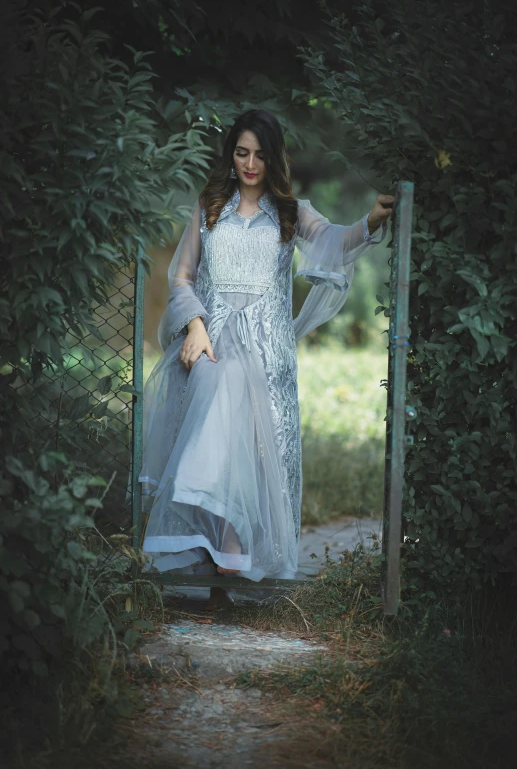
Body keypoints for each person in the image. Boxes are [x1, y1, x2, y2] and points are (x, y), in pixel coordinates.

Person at [138, 109, 393, 604]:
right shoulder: (210, 205)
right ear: (230, 155)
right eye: (241, 152)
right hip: (212, 338)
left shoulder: (291, 211)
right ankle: (218, 544)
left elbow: (336, 241)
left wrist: (372, 221)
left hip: (265, 349)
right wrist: (195, 324)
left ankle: (233, 545)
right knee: (217, 382)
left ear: (273, 158)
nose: (250, 164)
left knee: (245, 428)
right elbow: (182, 276)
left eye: (259, 154)